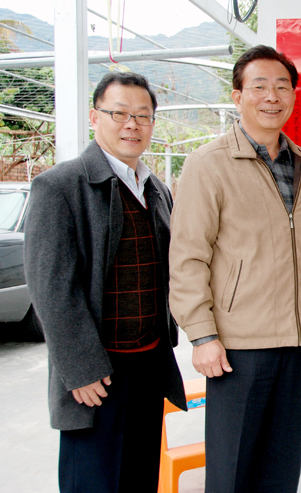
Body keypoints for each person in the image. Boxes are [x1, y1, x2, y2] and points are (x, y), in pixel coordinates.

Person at [168, 45, 301, 493]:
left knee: (281, 463)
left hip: (297, 337)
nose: (272, 96)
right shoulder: (208, 164)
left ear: (293, 95)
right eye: (259, 86)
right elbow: (188, 255)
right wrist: (203, 335)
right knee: (233, 468)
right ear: (238, 96)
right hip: (237, 343)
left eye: (282, 86)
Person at [24, 72, 186, 493]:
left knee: (139, 474)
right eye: (119, 113)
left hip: (149, 363)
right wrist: (78, 369)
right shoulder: (60, 186)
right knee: (93, 480)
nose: (132, 124)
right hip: (96, 372)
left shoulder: (156, 189)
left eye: (143, 115)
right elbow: (52, 288)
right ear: (95, 117)